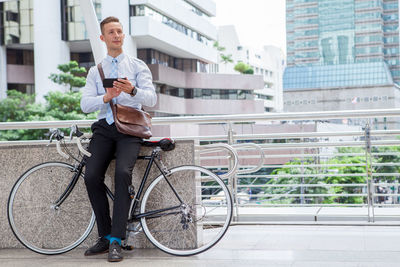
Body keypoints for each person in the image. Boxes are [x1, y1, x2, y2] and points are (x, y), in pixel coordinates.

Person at [80, 16, 157, 262]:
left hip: (130, 129)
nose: (116, 35)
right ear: (103, 38)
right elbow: (84, 105)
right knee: (91, 176)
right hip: (105, 127)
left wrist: (131, 91)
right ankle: (104, 236)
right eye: (111, 32)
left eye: (120, 31)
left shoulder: (136, 66)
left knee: (123, 173)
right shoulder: (96, 70)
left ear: (124, 36)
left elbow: (152, 99)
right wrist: (106, 96)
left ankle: (117, 240)